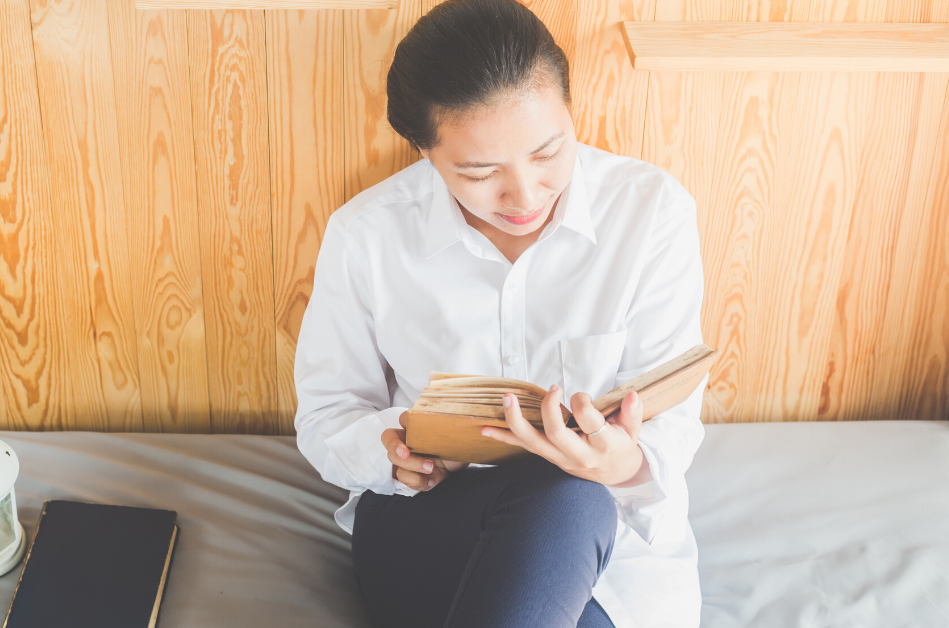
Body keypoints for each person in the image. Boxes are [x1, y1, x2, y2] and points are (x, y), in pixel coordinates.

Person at [293, 0, 708, 626]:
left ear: (572, 112)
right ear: (425, 152)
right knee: (567, 502)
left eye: (547, 152)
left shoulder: (650, 214)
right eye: (480, 171)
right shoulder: (367, 235)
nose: (525, 194)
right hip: (426, 524)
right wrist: (397, 454)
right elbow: (327, 415)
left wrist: (623, 462)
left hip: (607, 538)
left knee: (571, 498)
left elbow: (671, 417)